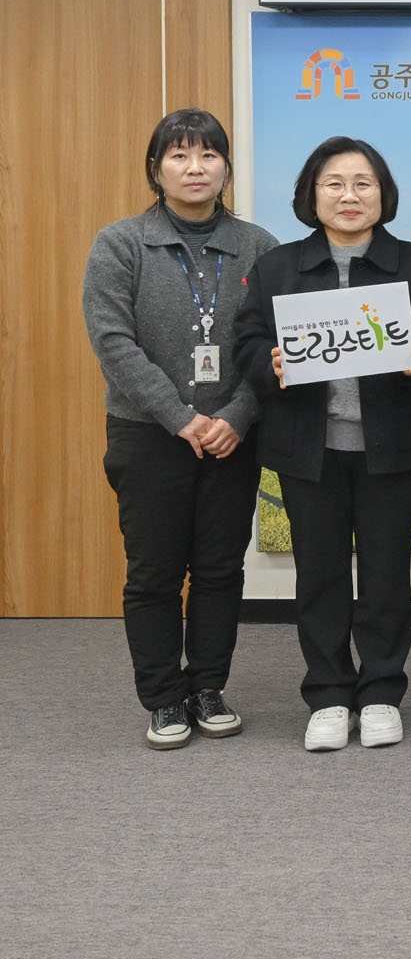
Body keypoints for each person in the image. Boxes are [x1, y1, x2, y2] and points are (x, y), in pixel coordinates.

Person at [234, 138, 411, 750]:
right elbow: (246, 341)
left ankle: (382, 691)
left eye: (363, 183)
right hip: (308, 449)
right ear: (311, 195)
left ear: (383, 195)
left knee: (386, 575)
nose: (349, 195)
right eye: (334, 183)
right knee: (320, 576)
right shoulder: (278, 267)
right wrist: (269, 360)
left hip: (392, 448)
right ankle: (329, 694)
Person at [82, 110, 277, 750]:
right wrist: (181, 417)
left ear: (226, 167)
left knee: (220, 569)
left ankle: (208, 687)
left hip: (232, 437)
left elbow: (274, 344)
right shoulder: (120, 243)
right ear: (156, 169)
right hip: (148, 434)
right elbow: (113, 342)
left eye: (208, 156)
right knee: (154, 574)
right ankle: (165, 698)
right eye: (179, 156)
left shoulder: (259, 246)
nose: (195, 168)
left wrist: (236, 417)